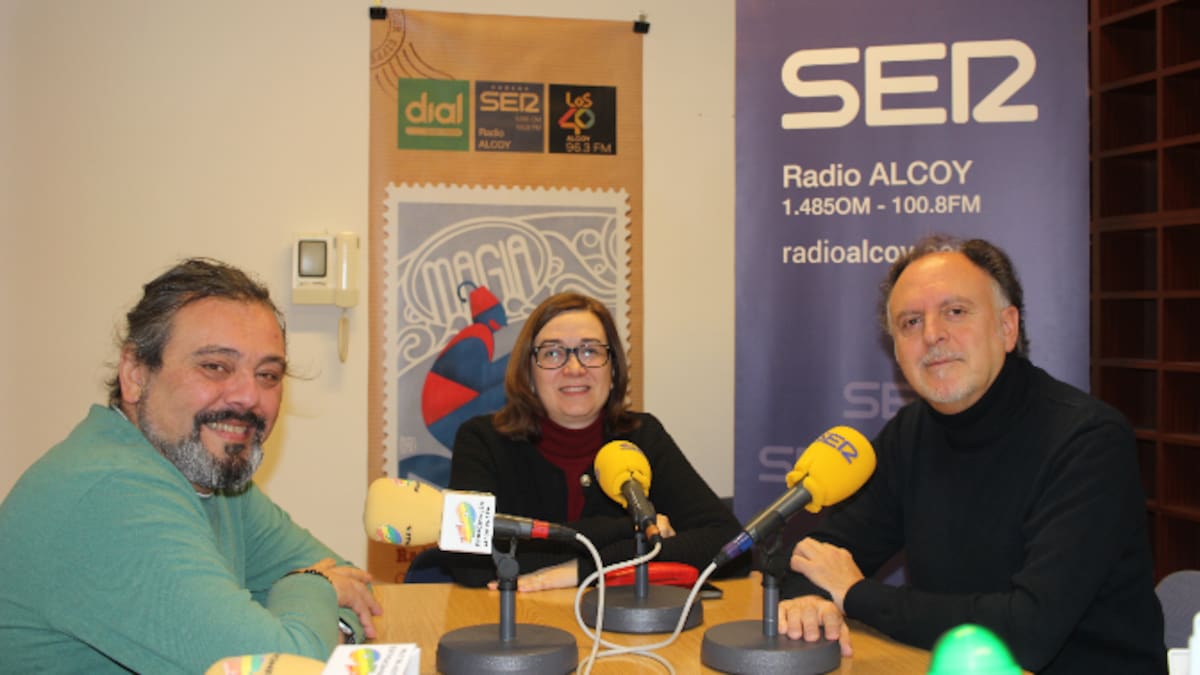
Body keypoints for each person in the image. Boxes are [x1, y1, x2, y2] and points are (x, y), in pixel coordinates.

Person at [777, 234, 1166, 674]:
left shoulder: (1088, 441)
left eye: (955, 312)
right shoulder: (911, 433)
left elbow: (1027, 632)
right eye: (910, 322)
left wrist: (855, 594)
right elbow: (826, 555)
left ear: (1007, 328)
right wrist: (808, 600)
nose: (932, 335)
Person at [0, 258, 382, 673]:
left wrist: (328, 616)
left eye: (268, 375)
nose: (248, 397)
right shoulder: (112, 494)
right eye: (215, 366)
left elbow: (361, 593)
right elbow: (285, 663)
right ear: (135, 375)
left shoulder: (215, 478)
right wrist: (313, 587)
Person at [446, 291, 747, 590]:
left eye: (590, 351)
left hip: (619, 630)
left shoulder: (643, 436)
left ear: (613, 368)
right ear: (528, 371)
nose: (574, 368)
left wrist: (585, 570)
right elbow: (469, 562)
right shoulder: (481, 440)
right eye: (552, 353)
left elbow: (730, 547)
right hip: (519, 625)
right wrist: (630, 532)